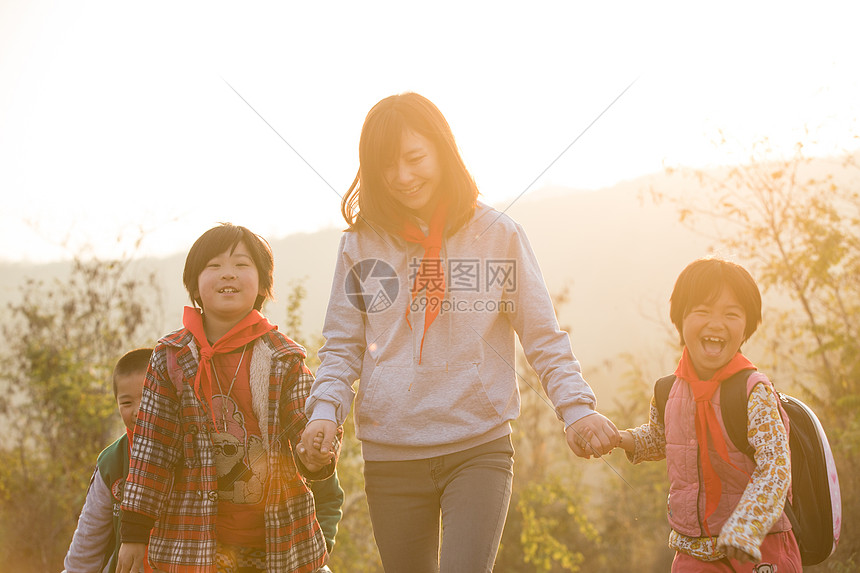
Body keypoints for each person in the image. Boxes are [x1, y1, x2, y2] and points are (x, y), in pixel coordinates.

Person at [299, 92, 618, 572]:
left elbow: (542, 335)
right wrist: (325, 409)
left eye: (414, 158)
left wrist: (575, 409)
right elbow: (343, 347)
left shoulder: (497, 234)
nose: (403, 177)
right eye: (387, 165)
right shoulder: (361, 244)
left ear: (442, 151)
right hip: (392, 454)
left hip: (477, 448)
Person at [116, 223, 341, 573]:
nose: (228, 274)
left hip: (277, 539)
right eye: (214, 265)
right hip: (192, 541)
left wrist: (314, 454)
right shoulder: (172, 356)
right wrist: (134, 533)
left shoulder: (284, 357)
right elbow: (152, 448)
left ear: (263, 282)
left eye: (242, 264)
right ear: (194, 283)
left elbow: (306, 426)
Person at [614, 257, 802, 572]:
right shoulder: (667, 391)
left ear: (746, 327)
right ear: (680, 320)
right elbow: (662, 439)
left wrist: (747, 527)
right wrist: (623, 439)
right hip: (693, 552)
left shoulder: (753, 392)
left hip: (758, 547)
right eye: (702, 311)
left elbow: (776, 467)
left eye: (731, 314)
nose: (716, 323)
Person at [62, 348, 154, 573]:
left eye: (147, 397)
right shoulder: (112, 463)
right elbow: (88, 541)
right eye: (126, 403)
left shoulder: (192, 450)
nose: (138, 410)